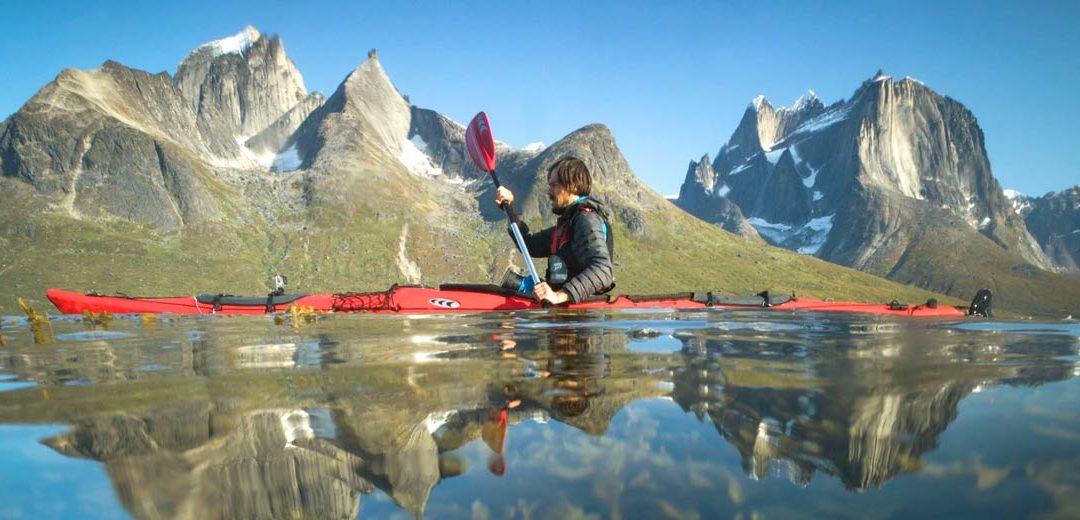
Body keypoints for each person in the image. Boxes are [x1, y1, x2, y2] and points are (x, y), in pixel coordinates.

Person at [494, 156, 615, 305]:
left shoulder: (586, 219)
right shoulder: (566, 226)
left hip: (584, 319)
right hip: (563, 315)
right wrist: (509, 208)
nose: (549, 192)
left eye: (554, 185)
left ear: (574, 186)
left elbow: (603, 271)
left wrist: (558, 296)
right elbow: (529, 245)